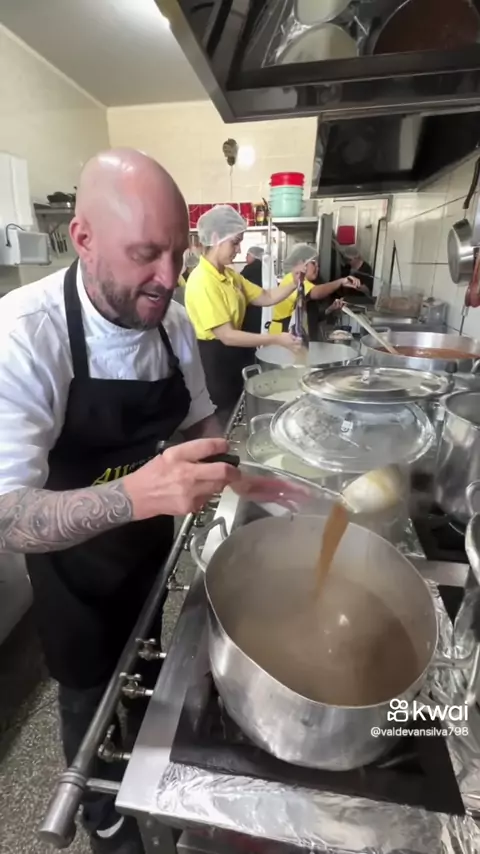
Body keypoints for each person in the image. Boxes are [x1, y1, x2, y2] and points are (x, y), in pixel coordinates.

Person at [0, 148, 241, 854]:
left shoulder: (170, 322)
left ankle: (146, 772)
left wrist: (237, 470)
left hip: (148, 554)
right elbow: (10, 516)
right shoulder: (25, 334)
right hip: (71, 574)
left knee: (148, 667)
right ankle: (104, 820)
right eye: (145, 255)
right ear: (83, 239)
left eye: (178, 252)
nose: (169, 278)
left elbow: (200, 419)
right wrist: (138, 493)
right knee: (89, 693)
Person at [185, 205, 302, 424]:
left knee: (239, 410)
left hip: (236, 355)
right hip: (215, 361)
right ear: (216, 238)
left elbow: (266, 296)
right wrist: (277, 339)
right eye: (235, 242)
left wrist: (293, 282)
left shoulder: (230, 275)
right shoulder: (202, 280)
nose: (239, 250)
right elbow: (227, 336)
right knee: (224, 416)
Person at [268, 243, 361, 334]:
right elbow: (316, 293)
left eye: (317, 264)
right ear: (301, 263)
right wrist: (341, 282)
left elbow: (311, 318)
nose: (317, 267)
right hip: (281, 334)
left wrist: (330, 309)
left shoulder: (306, 283)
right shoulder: (291, 279)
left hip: (294, 335)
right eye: (313, 263)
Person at [241, 245, 264, 333]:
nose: (245, 258)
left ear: (253, 256)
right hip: (261, 303)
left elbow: (238, 280)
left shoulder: (250, 268)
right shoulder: (263, 266)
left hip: (252, 304)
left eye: (247, 255)